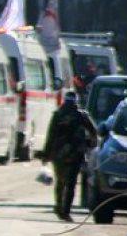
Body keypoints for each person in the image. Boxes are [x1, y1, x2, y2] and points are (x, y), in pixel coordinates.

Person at [39, 91, 97, 222]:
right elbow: (94, 132)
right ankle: (65, 210)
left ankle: (60, 206)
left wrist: (46, 154)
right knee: (70, 184)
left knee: (61, 182)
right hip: (75, 154)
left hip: (59, 154)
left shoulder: (58, 114)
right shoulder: (81, 115)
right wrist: (91, 146)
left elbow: (50, 136)